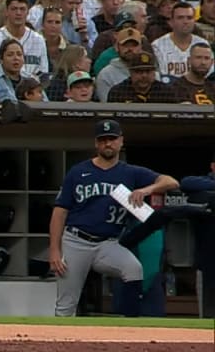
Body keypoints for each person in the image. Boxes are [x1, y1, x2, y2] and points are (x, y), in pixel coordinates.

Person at [49, 119, 179, 317]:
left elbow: (171, 182)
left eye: (112, 139)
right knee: (66, 304)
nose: (107, 143)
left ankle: (129, 325)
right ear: (96, 143)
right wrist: (55, 251)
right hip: (76, 241)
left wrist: (146, 190)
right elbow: (60, 213)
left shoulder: (131, 172)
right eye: (102, 140)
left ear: (121, 141)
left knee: (133, 269)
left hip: (108, 244)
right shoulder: (78, 172)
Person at [151, 3, 209, 79]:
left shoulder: (203, 44)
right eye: (180, 18)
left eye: (189, 18)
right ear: (171, 21)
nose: (185, 21)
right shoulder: (158, 45)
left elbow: (209, 75)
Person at [106, 52, 178, 103]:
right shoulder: (118, 92)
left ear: (154, 72)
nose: (144, 75)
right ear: (130, 72)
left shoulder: (166, 92)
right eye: (139, 71)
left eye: (148, 71)